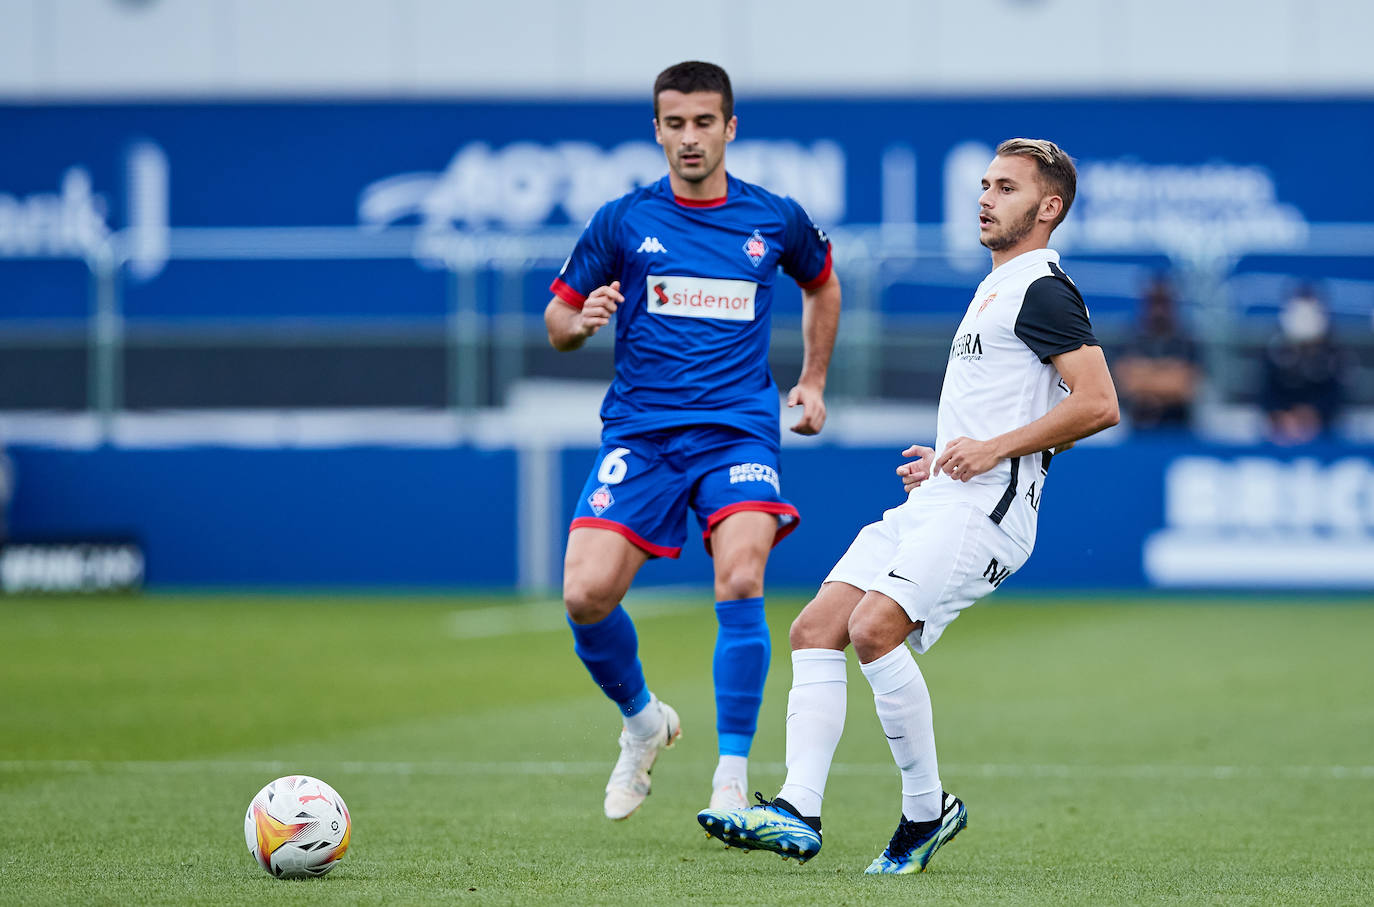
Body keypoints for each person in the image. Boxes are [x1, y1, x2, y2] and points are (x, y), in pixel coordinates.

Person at [698, 138, 1119, 874]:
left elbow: (1100, 404)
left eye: (1007, 188)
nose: (986, 197)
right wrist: (954, 453)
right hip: (947, 494)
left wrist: (995, 451)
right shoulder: (997, 285)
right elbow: (1032, 410)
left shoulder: (1042, 287)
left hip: (987, 509)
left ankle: (926, 810)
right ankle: (798, 808)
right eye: (985, 184)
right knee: (816, 626)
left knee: (873, 627)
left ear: (1049, 208)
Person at [544, 61, 841, 821]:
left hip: (738, 430)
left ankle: (731, 779)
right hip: (641, 436)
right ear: (657, 130)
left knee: (740, 577)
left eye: (704, 122)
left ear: (729, 127)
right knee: (584, 593)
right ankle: (643, 721)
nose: (689, 138)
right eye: (674, 124)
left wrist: (811, 381)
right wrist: (579, 326)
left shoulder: (772, 217)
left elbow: (822, 281)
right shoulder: (623, 220)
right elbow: (558, 318)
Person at [1260, 285, 1348, 444]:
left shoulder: (1333, 353)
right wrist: (1280, 415)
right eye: (1300, 314)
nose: (1305, 320)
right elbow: (1266, 390)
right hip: (1281, 429)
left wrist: (1313, 414)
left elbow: (1337, 393)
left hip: (1325, 432)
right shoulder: (1275, 349)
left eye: (1310, 314)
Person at [1113, 275, 1199, 430]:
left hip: (1179, 425)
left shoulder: (1188, 342)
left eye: (1164, 303)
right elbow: (1128, 384)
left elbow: (1183, 387)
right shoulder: (1129, 339)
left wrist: (1145, 373)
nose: (1158, 311)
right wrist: (1167, 371)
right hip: (1134, 425)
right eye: (1153, 303)